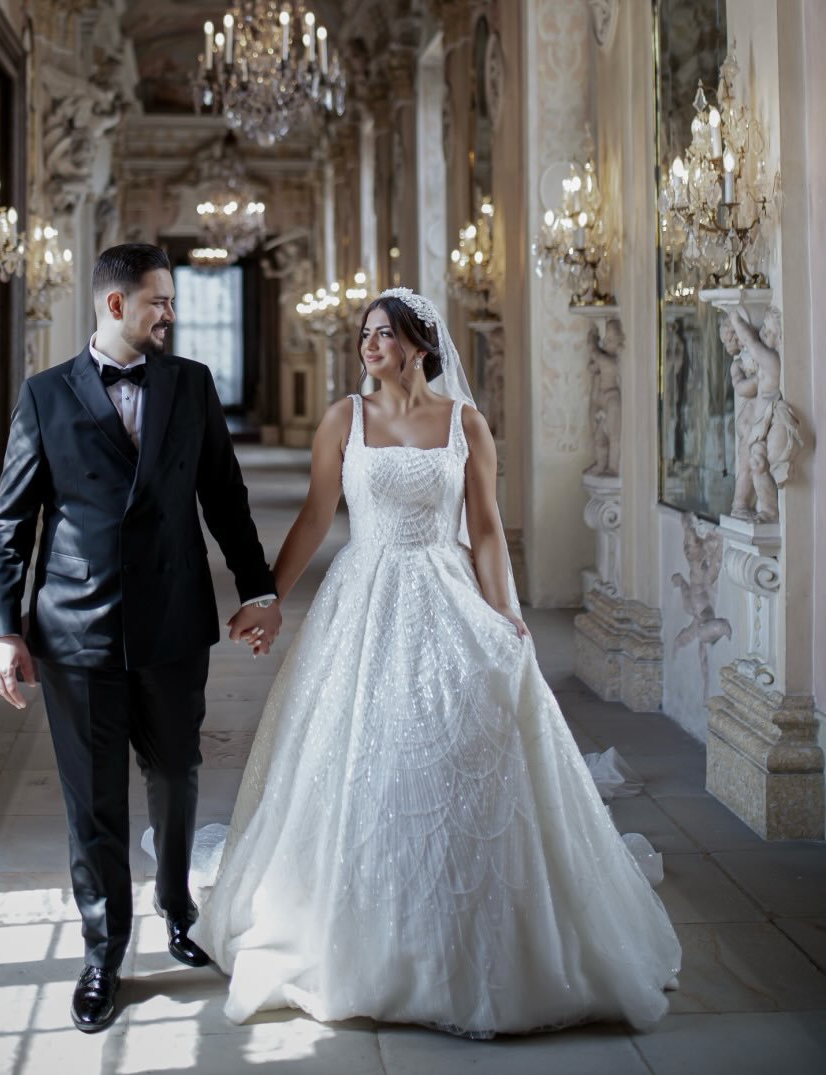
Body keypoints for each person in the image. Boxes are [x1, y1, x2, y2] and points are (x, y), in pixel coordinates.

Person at [193, 288, 681, 1037]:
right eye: (365, 334)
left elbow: (484, 528)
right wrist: (268, 599)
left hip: (445, 589)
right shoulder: (344, 419)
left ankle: (467, 919)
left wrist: (506, 613)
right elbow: (317, 516)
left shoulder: (465, 424)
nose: (369, 345)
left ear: (420, 345)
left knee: (457, 744)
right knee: (362, 756)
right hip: (363, 597)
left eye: (384, 334)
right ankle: (365, 932)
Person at [0, 243, 282, 1034]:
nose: (171, 314)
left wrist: (257, 590)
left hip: (174, 617)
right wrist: (2, 629)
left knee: (177, 773)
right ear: (115, 306)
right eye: (160, 301)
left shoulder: (191, 384)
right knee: (93, 801)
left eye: (172, 301)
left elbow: (225, 497)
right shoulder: (45, 395)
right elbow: (12, 524)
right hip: (75, 628)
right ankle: (102, 952)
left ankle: (178, 907)